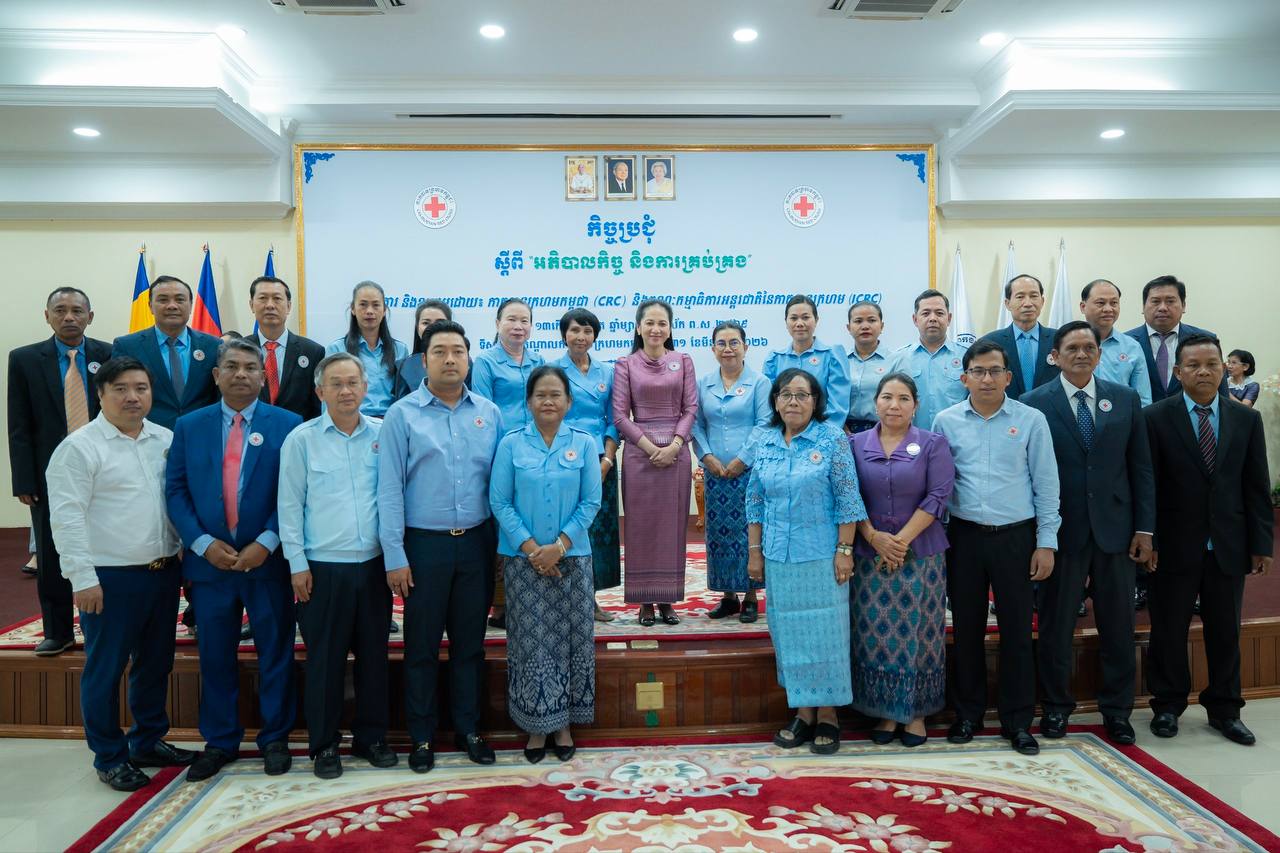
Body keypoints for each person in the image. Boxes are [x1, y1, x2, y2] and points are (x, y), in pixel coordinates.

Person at [46, 357, 195, 791]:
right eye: (121, 389)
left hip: (162, 573)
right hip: (109, 579)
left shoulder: (164, 439)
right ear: (101, 394)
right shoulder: (79, 448)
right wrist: (82, 578)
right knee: (106, 669)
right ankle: (109, 756)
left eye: (141, 388)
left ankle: (147, 741)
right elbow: (67, 519)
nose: (132, 397)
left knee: (155, 663)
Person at [165, 339, 302, 781]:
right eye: (232, 366)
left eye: (250, 367)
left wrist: (268, 540)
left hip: (268, 561)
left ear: (263, 377)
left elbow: (297, 492)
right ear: (216, 375)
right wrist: (202, 543)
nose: (241, 374)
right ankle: (220, 741)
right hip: (212, 565)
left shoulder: (290, 425)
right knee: (215, 654)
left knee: (276, 651)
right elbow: (175, 490)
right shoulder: (189, 426)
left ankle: (275, 738)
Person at [1022, 321, 1154, 745]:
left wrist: (1145, 529)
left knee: (1118, 626)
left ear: (1099, 354)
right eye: (1072, 348)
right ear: (1055, 356)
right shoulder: (1033, 404)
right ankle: (1055, 708)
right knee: (1056, 626)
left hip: (1116, 531)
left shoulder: (1125, 398)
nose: (1081, 354)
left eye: (1089, 348)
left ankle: (1117, 711)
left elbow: (1141, 467)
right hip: (1062, 532)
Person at [379, 320, 503, 773]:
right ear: (423, 360)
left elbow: (499, 486)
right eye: (439, 352)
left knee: (470, 645)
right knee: (421, 647)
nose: (450, 359)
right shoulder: (402, 415)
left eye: (458, 351)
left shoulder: (489, 412)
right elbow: (389, 489)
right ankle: (422, 736)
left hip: (476, 544)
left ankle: (469, 729)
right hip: (423, 547)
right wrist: (395, 555)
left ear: (469, 358)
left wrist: (500, 548)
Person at [932, 339, 1060, 755]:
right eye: (978, 371)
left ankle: (1017, 721)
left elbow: (1046, 484)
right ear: (964, 377)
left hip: (1016, 538)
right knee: (966, 629)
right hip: (964, 538)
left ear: (1008, 377)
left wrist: (1046, 542)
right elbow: (938, 485)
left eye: (994, 371)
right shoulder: (945, 421)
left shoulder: (1031, 420)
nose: (986, 379)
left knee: (1018, 632)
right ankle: (967, 715)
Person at [1144, 335, 1273, 746]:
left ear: (1224, 369)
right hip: (1173, 545)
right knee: (1168, 629)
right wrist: (1149, 539)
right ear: (1178, 372)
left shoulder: (1245, 419)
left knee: (1225, 630)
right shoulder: (1155, 418)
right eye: (1194, 365)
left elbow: (1256, 484)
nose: (1203, 371)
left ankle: (1225, 709)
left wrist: (1261, 543)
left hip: (1228, 544)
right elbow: (1148, 486)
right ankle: (1167, 705)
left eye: (1212, 364)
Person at [278, 353, 396, 779]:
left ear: (365, 387)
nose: (346, 391)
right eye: (336, 384)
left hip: (373, 568)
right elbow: (289, 506)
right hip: (322, 569)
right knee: (325, 662)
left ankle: (371, 738)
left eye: (353, 382)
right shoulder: (301, 440)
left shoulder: (383, 435)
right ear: (320, 391)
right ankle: (324, 745)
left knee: (374, 658)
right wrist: (296, 565)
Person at [747, 368, 867, 755]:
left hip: (821, 555)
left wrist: (844, 551)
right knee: (788, 633)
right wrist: (754, 551)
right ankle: (802, 711)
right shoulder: (764, 440)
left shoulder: (831, 439)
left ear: (816, 402)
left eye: (802, 395)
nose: (793, 401)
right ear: (775, 401)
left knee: (826, 633)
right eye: (786, 394)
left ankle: (828, 713)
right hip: (778, 555)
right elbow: (755, 500)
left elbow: (848, 499)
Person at [490, 366, 601, 763]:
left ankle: (565, 724)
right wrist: (534, 549)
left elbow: (591, 501)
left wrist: (559, 546)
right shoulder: (511, 444)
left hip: (573, 560)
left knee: (573, 641)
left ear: (569, 402)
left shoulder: (584, 443)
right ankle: (536, 726)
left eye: (556, 395)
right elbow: (499, 501)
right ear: (528, 401)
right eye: (541, 395)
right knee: (531, 643)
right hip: (524, 562)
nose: (548, 401)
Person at [850, 372, 954, 747]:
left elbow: (938, 496)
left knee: (921, 634)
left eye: (904, 398)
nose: (894, 405)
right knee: (874, 632)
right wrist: (874, 538)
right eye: (887, 397)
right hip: (869, 556)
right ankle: (884, 711)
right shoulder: (854, 444)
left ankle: (917, 713)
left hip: (921, 555)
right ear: (875, 402)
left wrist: (900, 542)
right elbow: (848, 496)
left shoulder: (932, 444)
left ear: (916, 405)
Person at [7, 287, 112, 656]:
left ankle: (107, 626)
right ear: (47, 315)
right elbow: (19, 425)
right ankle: (58, 630)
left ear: (90, 316)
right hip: (51, 473)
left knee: (106, 548)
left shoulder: (108, 354)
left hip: (105, 468)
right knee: (52, 553)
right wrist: (24, 479)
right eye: (61, 310)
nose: (69, 317)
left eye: (77, 311)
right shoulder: (24, 359)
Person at [612, 299, 698, 627]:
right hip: (639, 454)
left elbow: (691, 408)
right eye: (649, 322)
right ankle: (644, 601)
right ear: (638, 327)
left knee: (672, 527)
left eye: (662, 323)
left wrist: (674, 445)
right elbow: (620, 416)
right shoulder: (625, 364)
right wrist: (651, 448)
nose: (656, 329)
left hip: (676, 454)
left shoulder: (683, 361)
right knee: (641, 527)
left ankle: (667, 599)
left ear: (670, 328)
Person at [472, 298, 544, 628]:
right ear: (498, 323)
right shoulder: (485, 362)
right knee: (503, 529)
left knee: (531, 524)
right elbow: (483, 412)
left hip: (536, 453)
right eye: (511, 319)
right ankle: (500, 606)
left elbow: (546, 403)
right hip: (500, 454)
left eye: (524, 320)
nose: (518, 326)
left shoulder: (539, 361)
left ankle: (532, 597)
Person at [691, 321, 770, 622]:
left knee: (748, 532)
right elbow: (696, 424)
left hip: (749, 472)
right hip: (715, 472)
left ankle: (750, 596)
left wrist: (742, 460)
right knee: (719, 535)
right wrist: (707, 456)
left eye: (734, 343)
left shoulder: (759, 383)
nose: (728, 349)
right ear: (713, 349)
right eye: (721, 343)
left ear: (745, 347)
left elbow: (765, 424)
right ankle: (727, 596)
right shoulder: (703, 384)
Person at [555, 308, 621, 622]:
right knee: (568, 526)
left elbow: (614, 419)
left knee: (599, 531)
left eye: (587, 331)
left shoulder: (608, 372)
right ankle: (564, 598)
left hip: (601, 458)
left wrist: (607, 458)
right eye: (575, 330)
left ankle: (591, 598)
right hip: (565, 458)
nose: (581, 337)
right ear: (564, 335)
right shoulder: (552, 370)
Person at [111, 275, 221, 430]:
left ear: (191, 305)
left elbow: (219, 395)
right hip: (147, 435)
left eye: (180, 300)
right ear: (150, 306)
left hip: (201, 432)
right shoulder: (127, 346)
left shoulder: (213, 346)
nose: (172, 306)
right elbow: (118, 395)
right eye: (163, 300)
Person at [1125, 274, 1221, 404]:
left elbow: (1220, 390)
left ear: (1184, 306)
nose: (1163, 308)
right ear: (1143, 306)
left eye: (1170, 301)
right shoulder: (1126, 342)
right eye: (1155, 301)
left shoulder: (1206, 340)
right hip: (1140, 415)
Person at [762, 295, 851, 425]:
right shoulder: (774, 359)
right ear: (786, 322)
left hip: (823, 432)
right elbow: (768, 404)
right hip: (783, 431)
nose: (799, 323)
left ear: (816, 320)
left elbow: (838, 408)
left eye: (805, 317)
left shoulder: (832, 356)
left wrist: (818, 433)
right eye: (793, 318)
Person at [325, 280, 409, 418]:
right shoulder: (337, 349)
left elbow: (405, 398)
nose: (369, 311)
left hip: (391, 422)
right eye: (363, 305)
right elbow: (328, 395)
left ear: (384, 310)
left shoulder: (400, 350)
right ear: (353, 309)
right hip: (351, 421)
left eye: (376, 305)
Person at [249, 276, 325, 421]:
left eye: (277, 299)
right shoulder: (237, 350)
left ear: (289, 306)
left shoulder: (313, 352)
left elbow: (317, 406)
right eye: (263, 298)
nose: (270, 305)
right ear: (251, 305)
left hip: (298, 430)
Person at [889, 289, 968, 429]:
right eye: (925, 313)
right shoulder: (898, 358)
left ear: (949, 318)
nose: (932, 318)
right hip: (910, 437)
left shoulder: (967, 357)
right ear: (915, 319)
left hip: (955, 437)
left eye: (939, 313)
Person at [974, 275, 1059, 400]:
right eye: (1020, 297)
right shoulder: (989, 342)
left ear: (1042, 301)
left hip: (1049, 411)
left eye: (1034, 296)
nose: (1028, 303)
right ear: (1007, 303)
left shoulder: (1060, 340)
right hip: (1004, 410)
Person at [1080, 279, 1151, 407]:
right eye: (1101, 303)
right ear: (1083, 307)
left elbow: (1143, 399)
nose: (1108, 309)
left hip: (1122, 417)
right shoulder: (1068, 345)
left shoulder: (1132, 347)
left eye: (1114, 303)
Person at [845, 300, 892, 434]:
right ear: (849, 327)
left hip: (883, 432)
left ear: (881, 326)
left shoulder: (893, 360)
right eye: (858, 321)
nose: (865, 326)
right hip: (843, 431)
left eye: (871, 320)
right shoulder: (840, 361)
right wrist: (840, 428)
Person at [393, 299, 454, 399]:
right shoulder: (405, 366)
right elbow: (401, 405)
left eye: (440, 322)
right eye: (426, 323)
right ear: (417, 327)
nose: (433, 327)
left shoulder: (464, 361)